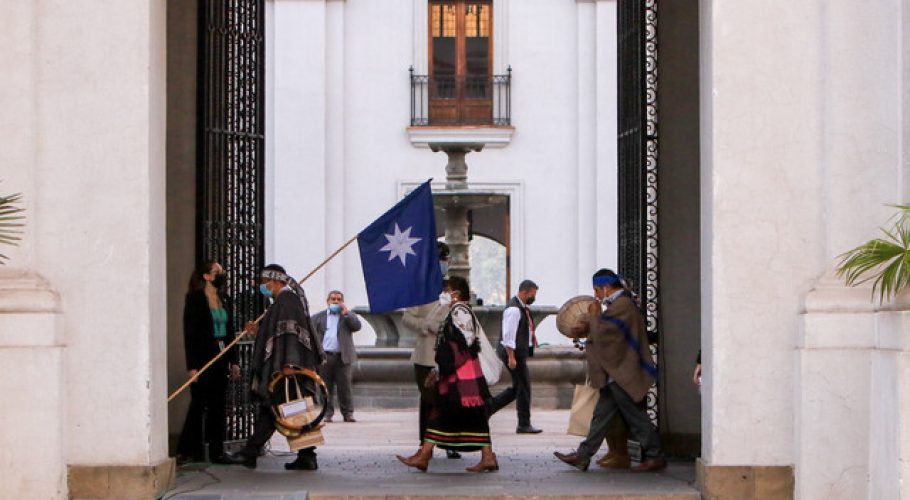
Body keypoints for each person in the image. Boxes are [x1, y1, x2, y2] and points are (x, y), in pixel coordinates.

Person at [554, 268, 667, 472]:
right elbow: (606, 328)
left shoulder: (623, 305)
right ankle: (583, 455)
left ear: (605, 288)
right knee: (601, 416)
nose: (596, 295)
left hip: (623, 372)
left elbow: (607, 335)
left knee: (636, 416)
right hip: (615, 374)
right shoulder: (618, 305)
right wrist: (589, 325)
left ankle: (655, 455)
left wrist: (594, 317)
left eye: (597, 290)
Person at [225, 264, 326, 471]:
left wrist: (290, 363)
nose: (263, 287)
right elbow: (275, 333)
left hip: (287, 368)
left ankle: (252, 451)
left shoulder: (287, 300)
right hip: (284, 367)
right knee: (282, 409)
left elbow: (290, 333)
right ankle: (305, 456)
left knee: (274, 409)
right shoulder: (280, 302)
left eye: (265, 283)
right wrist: (257, 331)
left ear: (277, 280)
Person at [396, 276, 499, 473]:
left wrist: (441, 369)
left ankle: (425, 455)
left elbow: (464, 344)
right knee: (468, 414)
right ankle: (485, 456)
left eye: (447, 290)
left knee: (444, 411)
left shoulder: (460, 312)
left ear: (456, 294)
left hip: (460, 375)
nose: (444, 294)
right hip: (460, 373)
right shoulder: (457, 311)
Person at [176, 260, 242, 465]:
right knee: (198, 404)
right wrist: (192, 367)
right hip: (204, 357)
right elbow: (190, 334)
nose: (222, 274)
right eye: (217, 272)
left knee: (218, 405)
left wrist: (234, 360)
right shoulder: (195, 299)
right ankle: (187, 450)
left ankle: (217, 451)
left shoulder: (224, 298)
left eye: (221, 271)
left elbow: (231, 332)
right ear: (206, 276)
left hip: (221, 355)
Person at [401, 279, 463, 459]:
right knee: (429, 400)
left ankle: (450, 442)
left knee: (449, 400)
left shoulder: (455, 298)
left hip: (449, 357)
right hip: (425, 356)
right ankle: (425, 442)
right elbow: (407, 318)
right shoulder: (423, 295)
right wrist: (425, 325)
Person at [488, 279, 542, 434]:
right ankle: (523, 423)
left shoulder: (522, 308)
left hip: (517, 353)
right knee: (523, 386)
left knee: (520, 386)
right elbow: (508, 335)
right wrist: (511, 357)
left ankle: (490, 407)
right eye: (533, 294)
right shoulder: (514, 310)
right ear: (525, 292)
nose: (534, 297)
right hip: (512, 353)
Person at [312, 290, 362, 423]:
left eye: (338, 299)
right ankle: (327, 413)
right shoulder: (318, 317)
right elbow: (311, 334)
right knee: (325, 387)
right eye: (333, 299)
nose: (335, 301)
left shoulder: (347, 316)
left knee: (345, 386)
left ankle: (348, 413)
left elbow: (357, 326)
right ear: (328, 301)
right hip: (325, 357)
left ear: (342, 302)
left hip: (342, 357)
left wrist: (347, 314)